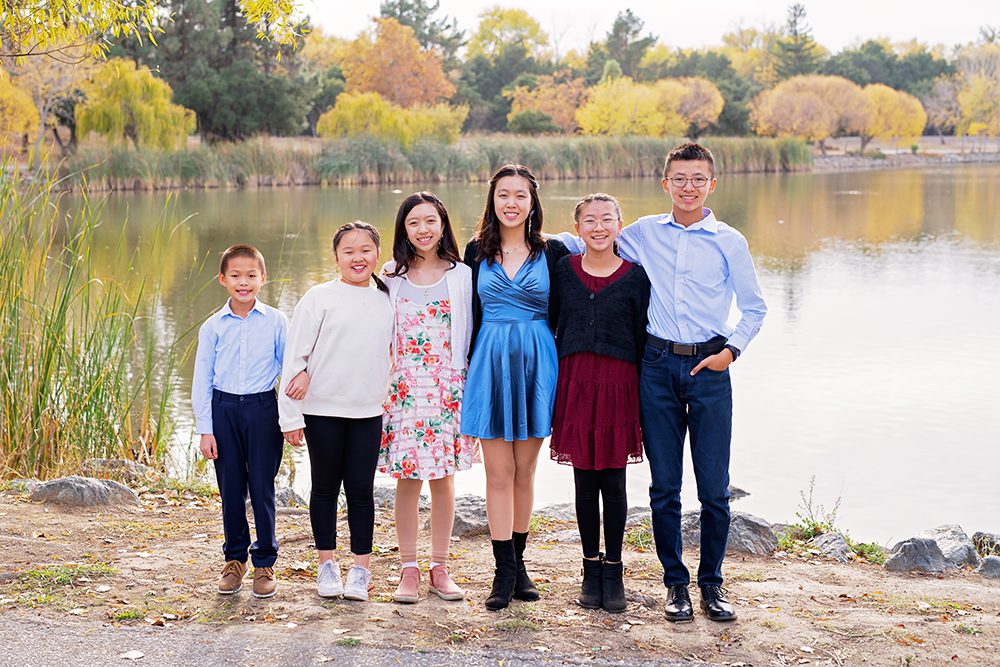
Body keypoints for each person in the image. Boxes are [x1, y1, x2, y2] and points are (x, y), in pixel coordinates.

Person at [554, 143, 767, 622]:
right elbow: (592, 238)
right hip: (656, 365)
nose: (689, 187)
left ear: (712, 184)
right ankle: (676, 584)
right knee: (664, 486)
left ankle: (712, 584)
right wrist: (518, 239)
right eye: (680, 179)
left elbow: (754, 308)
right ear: (665, 183)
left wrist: (730, 352)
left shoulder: (729, 241)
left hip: (710, 365)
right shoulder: (644, 233)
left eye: (698, 179)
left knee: (714, 488)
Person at [461, 164, 569, 611]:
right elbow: (460, 304)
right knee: (498, 472)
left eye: (520, 195)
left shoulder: (554, 251)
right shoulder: (474, 251)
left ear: (532, 201)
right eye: (503, 194)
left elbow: (566, 308)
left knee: (525, 471)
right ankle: (502, 570)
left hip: (537, 361)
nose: (511, 203)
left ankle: (519, 564)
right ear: (492, 199)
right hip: (489, 360)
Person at [278, 222, 394, 602]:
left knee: (361, 491)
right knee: (325, 488)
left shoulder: (388, 298)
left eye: (366, 250)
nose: (358, 258)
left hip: (368, 411)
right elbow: (295, 358)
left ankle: (360, 569)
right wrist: (290, 416)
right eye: (349, 251)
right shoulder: (318, 298)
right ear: (336, 257)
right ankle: (326, 564)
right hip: (322, 410)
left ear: (378, 254)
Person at [549, 194, 650, 614]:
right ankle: (590, 569)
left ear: (619, 225)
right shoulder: (564, 271)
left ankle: (614, 570)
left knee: (614, 482)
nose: (598, 227)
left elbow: (642, 336)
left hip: (618, 385)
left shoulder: (635, 276)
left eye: (607, 219)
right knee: (584, 484)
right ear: (577, 229)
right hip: (576, 384)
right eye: (589, 221)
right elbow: (553, 320)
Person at [379, 192, 474, 604]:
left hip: (446, 387)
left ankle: (440, 567)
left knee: (443, 479)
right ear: (403, 228)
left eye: (431, 221)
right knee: (407, 479)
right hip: (403, 388)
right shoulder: (390, 275)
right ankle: (409, 569)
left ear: (443, 224)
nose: (423, 229)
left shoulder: (462, 275)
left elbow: (470, 334)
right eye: (414, 222)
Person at [191, 244, 292, 599]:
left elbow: (289, 370)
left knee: (263, 487)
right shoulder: (213, 326)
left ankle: (264, 562)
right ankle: (235, 559)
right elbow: (202, 379)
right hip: (224, 410)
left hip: (263, 409)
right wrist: (206, 429)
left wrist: (292, 417)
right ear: (223, 279)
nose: (243, 282)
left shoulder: (277, 321)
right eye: (235, 276)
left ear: (263, 278)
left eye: (251, 275)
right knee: (231, 488)